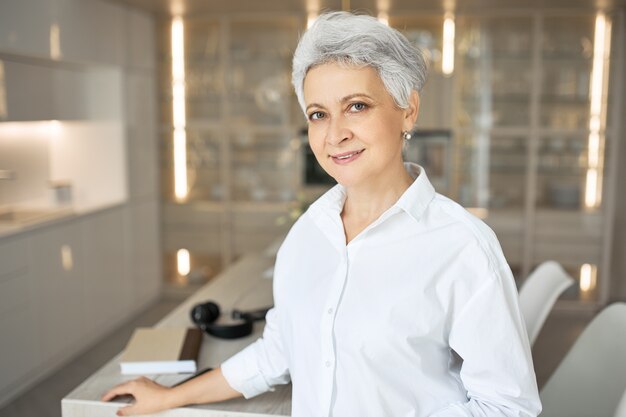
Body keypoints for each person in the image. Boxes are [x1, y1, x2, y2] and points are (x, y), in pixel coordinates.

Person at [102, 11, 542, 417]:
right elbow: (280, 350)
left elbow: (508, 406)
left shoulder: (462, 246)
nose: (335, 135)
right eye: (318, 114)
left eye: (357, 106)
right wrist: (172, 396)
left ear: (408, 108)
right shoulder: (309, 233)